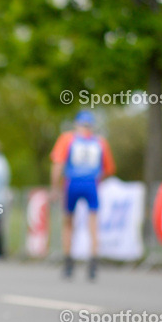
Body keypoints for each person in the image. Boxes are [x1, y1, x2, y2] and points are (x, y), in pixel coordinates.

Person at [50, 110, 116, 280]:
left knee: (68, 223)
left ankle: (68, 264)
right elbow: (108, 169)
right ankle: (93, 265)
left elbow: (57, 164)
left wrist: (54, 188)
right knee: (93, 225)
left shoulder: (68, 138)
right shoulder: (100, 142)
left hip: (72, 182)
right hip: (91, 183)